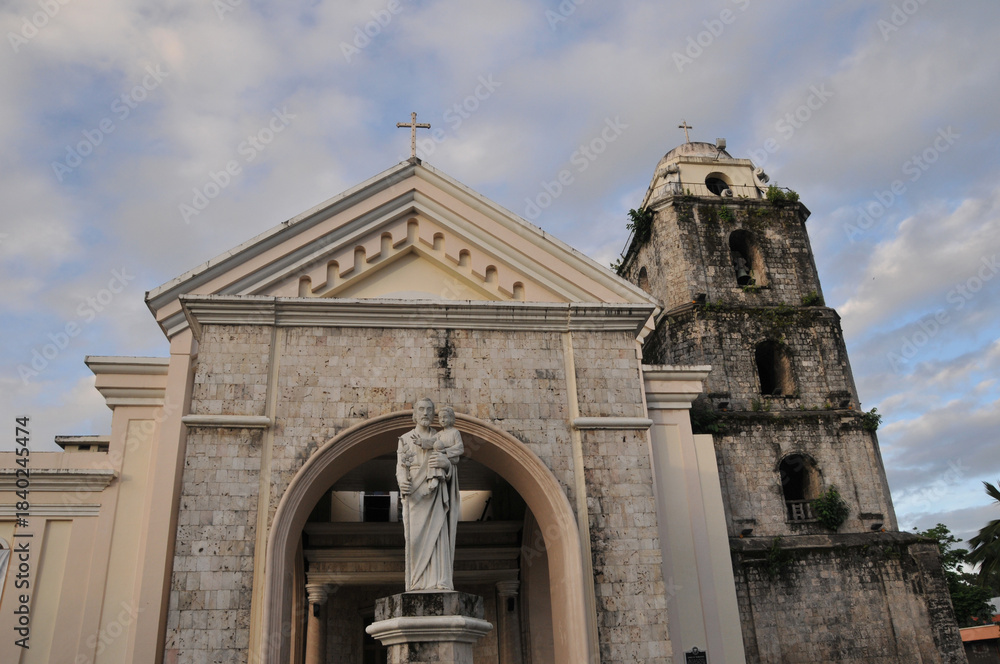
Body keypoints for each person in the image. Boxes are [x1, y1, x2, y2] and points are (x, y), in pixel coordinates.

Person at [396, 398, 461, 591]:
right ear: (414, 414)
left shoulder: (441, 437)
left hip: (436, 494)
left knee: (438, 536)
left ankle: (439, 580)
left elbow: (452, 464)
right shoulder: (405, 439)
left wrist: (446, 465)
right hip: (414, 495)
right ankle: (416, 583)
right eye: (421, 410)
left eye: (429, 410)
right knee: (414, 540)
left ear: (434, 415)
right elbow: (400, 467)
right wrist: (402, 483)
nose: (425, 413)